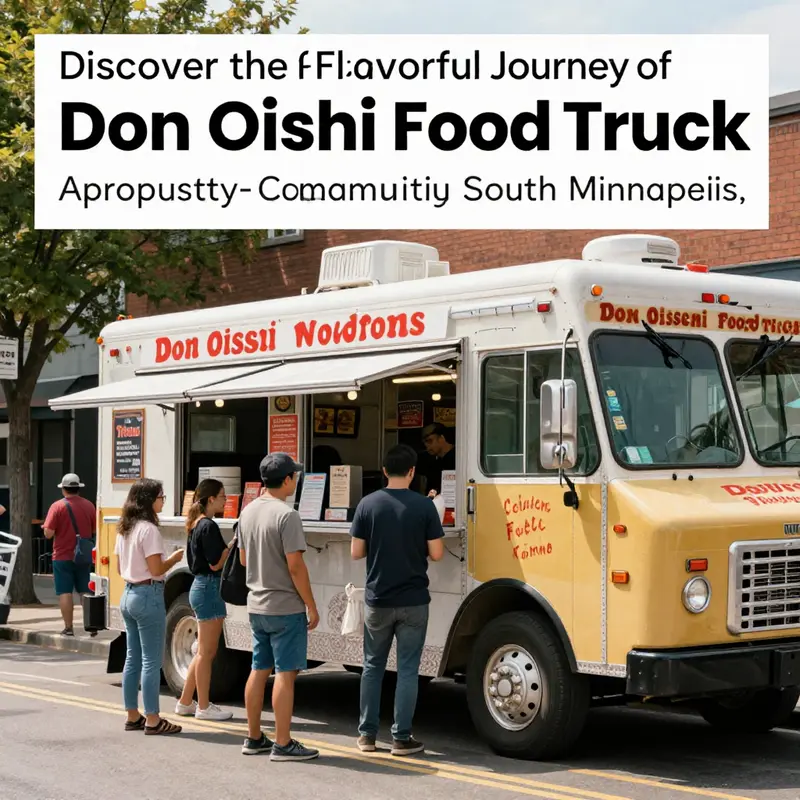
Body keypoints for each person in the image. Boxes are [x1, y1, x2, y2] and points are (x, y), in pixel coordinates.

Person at [350, 444, 445, 756]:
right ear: (413, 472)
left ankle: (366, 736)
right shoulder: (424, 507)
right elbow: (437, 553)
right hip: (414, 600)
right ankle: (401, 738)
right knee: (407, 669)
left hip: (378, 598)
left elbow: (356, 552)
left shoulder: (367, 504)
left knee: (372, 666)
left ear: (385, 471)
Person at [237, 453, 320, 761]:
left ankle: (254, 736)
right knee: (286, 674)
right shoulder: (287, 516)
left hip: (256, 604)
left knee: (259, 670)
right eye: (294, 477)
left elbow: (244, 559)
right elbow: (296, 566)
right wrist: (311, 605)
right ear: (287, 480)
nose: (295, 481)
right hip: (285, 606)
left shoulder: (248, 512)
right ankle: (283, 743)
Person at [115, 478, 184, 736]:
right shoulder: (149, 530)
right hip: (148, 594)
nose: (162, 501)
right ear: (148, 500)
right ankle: (153, 719)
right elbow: (156, 569)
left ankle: (133, 715)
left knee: (132, 658)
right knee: (151, 661)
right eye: (160, 497)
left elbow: (121, 568)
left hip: (129, 593)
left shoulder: (125, 528)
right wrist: (174, 559)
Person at [175, 478, 234, 721]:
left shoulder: (195, 524)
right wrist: (230, 547)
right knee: (207, 653)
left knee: (201, 651)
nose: (225, 500)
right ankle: (204, 706)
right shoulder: (208, 526)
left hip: (199, 586)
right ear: (211, 499)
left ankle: (186, 701)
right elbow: (215, 563)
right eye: (222, 496)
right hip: (209, 587)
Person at [42, 473, 97, 636]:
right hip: (83, 555)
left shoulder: (57, 507)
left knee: (65, 592)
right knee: (85, 591)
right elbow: (94, 530)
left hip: (62, 556)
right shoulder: (89, 506)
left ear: (64, 489)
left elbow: (49, 534)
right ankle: (91, 626)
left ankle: (69, 627)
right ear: (78, 488)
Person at [419, 423, 456, 496]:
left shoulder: (459, 459)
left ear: (441, 438)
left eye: (429, 440)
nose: (427, 446)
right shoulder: (433, 463)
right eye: (424, 443)